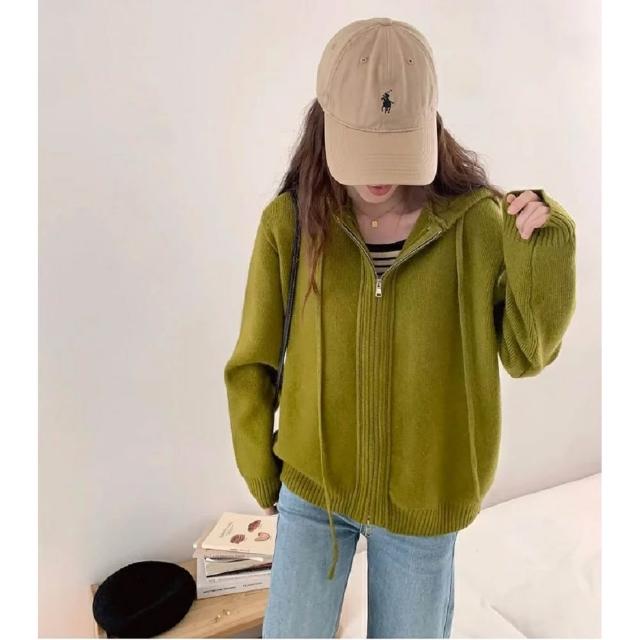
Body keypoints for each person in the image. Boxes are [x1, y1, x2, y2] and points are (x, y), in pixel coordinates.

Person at [223, 16, 576, 639]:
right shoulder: (294, 222)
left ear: (430, 127)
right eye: (364, 146)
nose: (379, 174)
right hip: (312, 488)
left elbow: (527, 354)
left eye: (396, 146)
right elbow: (255, 357)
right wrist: (260, 464)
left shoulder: (476, 225)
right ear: (325, 123)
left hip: (424, 503)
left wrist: (544, 250)